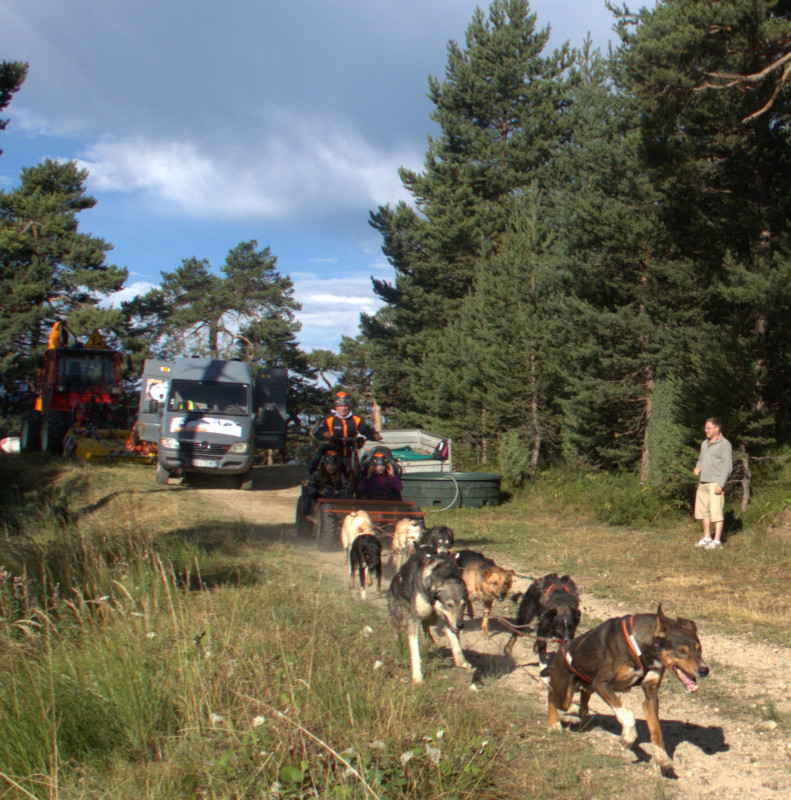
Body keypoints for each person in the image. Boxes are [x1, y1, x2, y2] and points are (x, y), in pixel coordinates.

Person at [313, 391, 383, 473]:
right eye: (340, 406)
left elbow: (365, 430)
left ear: (348, 406)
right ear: (336, 407)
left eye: (345, 406)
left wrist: (374, 434)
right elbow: (318, 433)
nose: (343, 408)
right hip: (334, 454)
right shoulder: (329, 420)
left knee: (358, 473)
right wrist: (324, 434)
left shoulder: (356, 419)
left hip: (351, 452)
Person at [693, 417, 733, 549]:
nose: (706, 430)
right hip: (703, 482)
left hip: (715, 482)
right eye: (705, 428)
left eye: (709, 428)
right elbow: (701, 459)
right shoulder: (704, 443)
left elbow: (728, 466)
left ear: (717, 428)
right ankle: (706, 537)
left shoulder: (724, 444)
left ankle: (717, 541)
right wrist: (698, 467)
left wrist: (720, 484)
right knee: (703, 512)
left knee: (716, 512)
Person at [303, 449, 351, 523]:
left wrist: (339, 491)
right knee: (328, 494)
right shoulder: (318, 474)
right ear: (325, 464)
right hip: (322, 497)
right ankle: (312, 516)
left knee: (342, 495)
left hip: (337, 498)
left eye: (334, 465)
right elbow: (309, 488)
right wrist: (319, 491)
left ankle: (344, 516)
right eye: (329, 465)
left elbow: (348, 487)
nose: (331, 468)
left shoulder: (340, 475)